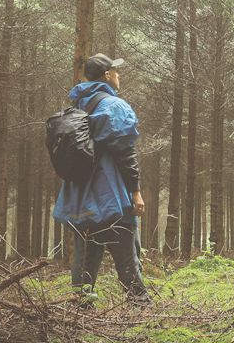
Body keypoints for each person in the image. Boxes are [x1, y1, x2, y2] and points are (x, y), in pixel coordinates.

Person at [52, 53, 148, 303]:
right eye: (116, 71)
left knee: (85, 256)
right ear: (107, 76)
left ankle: (81, 308)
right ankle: (141, 308)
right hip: (110, 194)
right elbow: (126, 153)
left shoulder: (78, 107)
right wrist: (135, 190)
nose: (118, 75)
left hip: (79, 196)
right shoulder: (114, 106)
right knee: (126, 253)